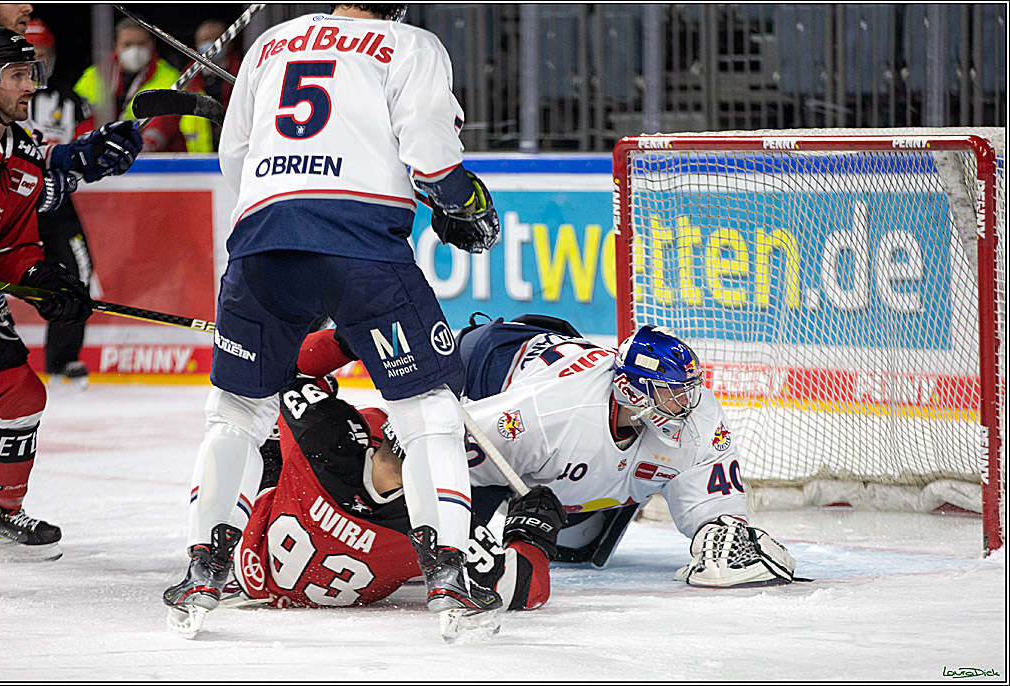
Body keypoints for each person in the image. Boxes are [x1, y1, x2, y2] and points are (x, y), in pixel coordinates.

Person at [162, 4, 501, 639]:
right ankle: (450, 575)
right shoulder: (410, 43)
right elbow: (430, 154)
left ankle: (203, 570)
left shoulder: (269, 43)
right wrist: (467, 201)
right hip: (361, 249)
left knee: (235, 412)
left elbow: (234, 162)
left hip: (260, 244)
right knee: (427, 410)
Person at [299, 316, 800, 588]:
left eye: (688, 388)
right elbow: (437, 451)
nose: (686, 402)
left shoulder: (697, 415)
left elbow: (711, 494)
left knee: (574, 548)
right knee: (435, 528)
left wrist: (721, 528)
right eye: (671, 392)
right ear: (631, 392)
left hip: (555, 352)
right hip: (490, 366)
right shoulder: (545, 415)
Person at [227, 373, 563, 616]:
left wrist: (341, 345)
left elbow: (280, 369)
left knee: (260, 415)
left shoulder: (325, 433)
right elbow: (525, 586)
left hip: (251, 562)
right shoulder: (442, 522)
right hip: (340, 586)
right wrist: (531, 532)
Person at [0, 26, 142, 561]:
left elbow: (8, 243)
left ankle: (1, 509)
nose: (29, 87)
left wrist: (40, 281)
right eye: (16, 76)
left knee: (20, 392)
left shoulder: (21, 151)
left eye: (31, 73)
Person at [23, 18, 96, 386]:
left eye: (43, 53)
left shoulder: (71, 100)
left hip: (55, 203)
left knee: (79, 271)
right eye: (29, 52)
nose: (37, 62)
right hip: (10, 199)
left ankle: (63, 358)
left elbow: (85, 150)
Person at [74, 17, 212, 153]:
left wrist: (145, 144)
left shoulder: (170, 77)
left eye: (141, 44)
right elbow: (79, 117)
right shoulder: (94, 76)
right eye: (127, 45)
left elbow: (165, 121)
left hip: (154, 161)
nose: (135, 50)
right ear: (116, 45)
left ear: (152, 44)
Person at [187, 18, 241, 150]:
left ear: (230, 43)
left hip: (234, 149)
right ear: (196, 44)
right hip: (195, 158)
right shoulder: (187, 79)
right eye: (205, 40)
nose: (212, 44)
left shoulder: (243, 73)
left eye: (218, 38)